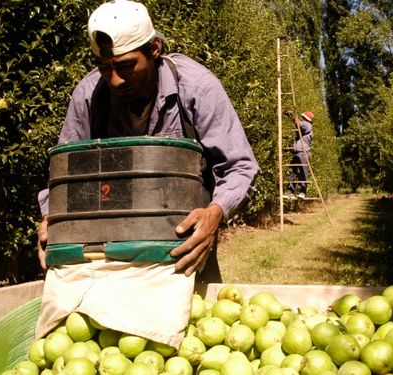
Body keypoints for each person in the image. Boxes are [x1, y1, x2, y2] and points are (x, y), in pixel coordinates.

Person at [34, 0, 259, 347]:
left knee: (190, 335)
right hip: (108, 244)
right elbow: (66, 173)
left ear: (154, 49)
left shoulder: (196, 88)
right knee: (108, 341)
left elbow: (239, 165)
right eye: (104, 67)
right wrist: (54, 218)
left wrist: (215, 214)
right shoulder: (90, 95)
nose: (115, 79)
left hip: (181, 244)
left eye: (125, 66)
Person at [285, 111, 313, 199]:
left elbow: (297, 123)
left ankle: (303, 192)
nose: (300, 119)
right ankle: (290, 192)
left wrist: (290, 115)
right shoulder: (302, 129)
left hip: (303, 153)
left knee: (302, 172)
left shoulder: (307, 125)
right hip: (296, 152)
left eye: (302, 117)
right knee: (292, 172)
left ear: (305, 119)